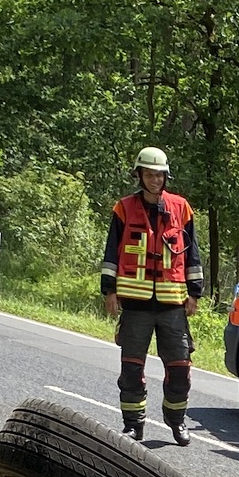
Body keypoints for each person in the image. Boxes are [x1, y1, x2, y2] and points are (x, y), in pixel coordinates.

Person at [101, 146, 203, 445]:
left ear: (165, 176)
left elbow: (193, 254)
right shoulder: (123, 209)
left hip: (173, 304)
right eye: (149, 174)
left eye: (159, 174)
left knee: (180, 369)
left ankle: (176, 421)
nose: (155, 179)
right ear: (139, 176)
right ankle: (133, 424)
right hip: (135, 305)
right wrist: (110, 291)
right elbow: (111, 253)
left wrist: (194, 293)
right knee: (132, 368)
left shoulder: (181, 208)